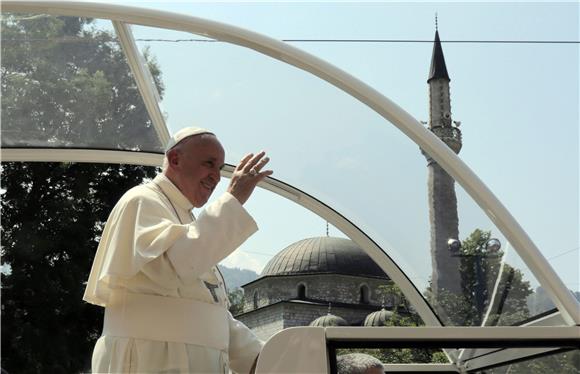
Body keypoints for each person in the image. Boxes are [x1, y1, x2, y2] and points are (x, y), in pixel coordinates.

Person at [83, 127, 273, 373]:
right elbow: (173, 267)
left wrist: (264, 356)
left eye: (220, 168)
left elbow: (205, 314)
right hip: (150, 359)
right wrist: (232, 200)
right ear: (175, 159)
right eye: (209, 163)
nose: (216, 176)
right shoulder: (141, 201)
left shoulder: (187, 219)